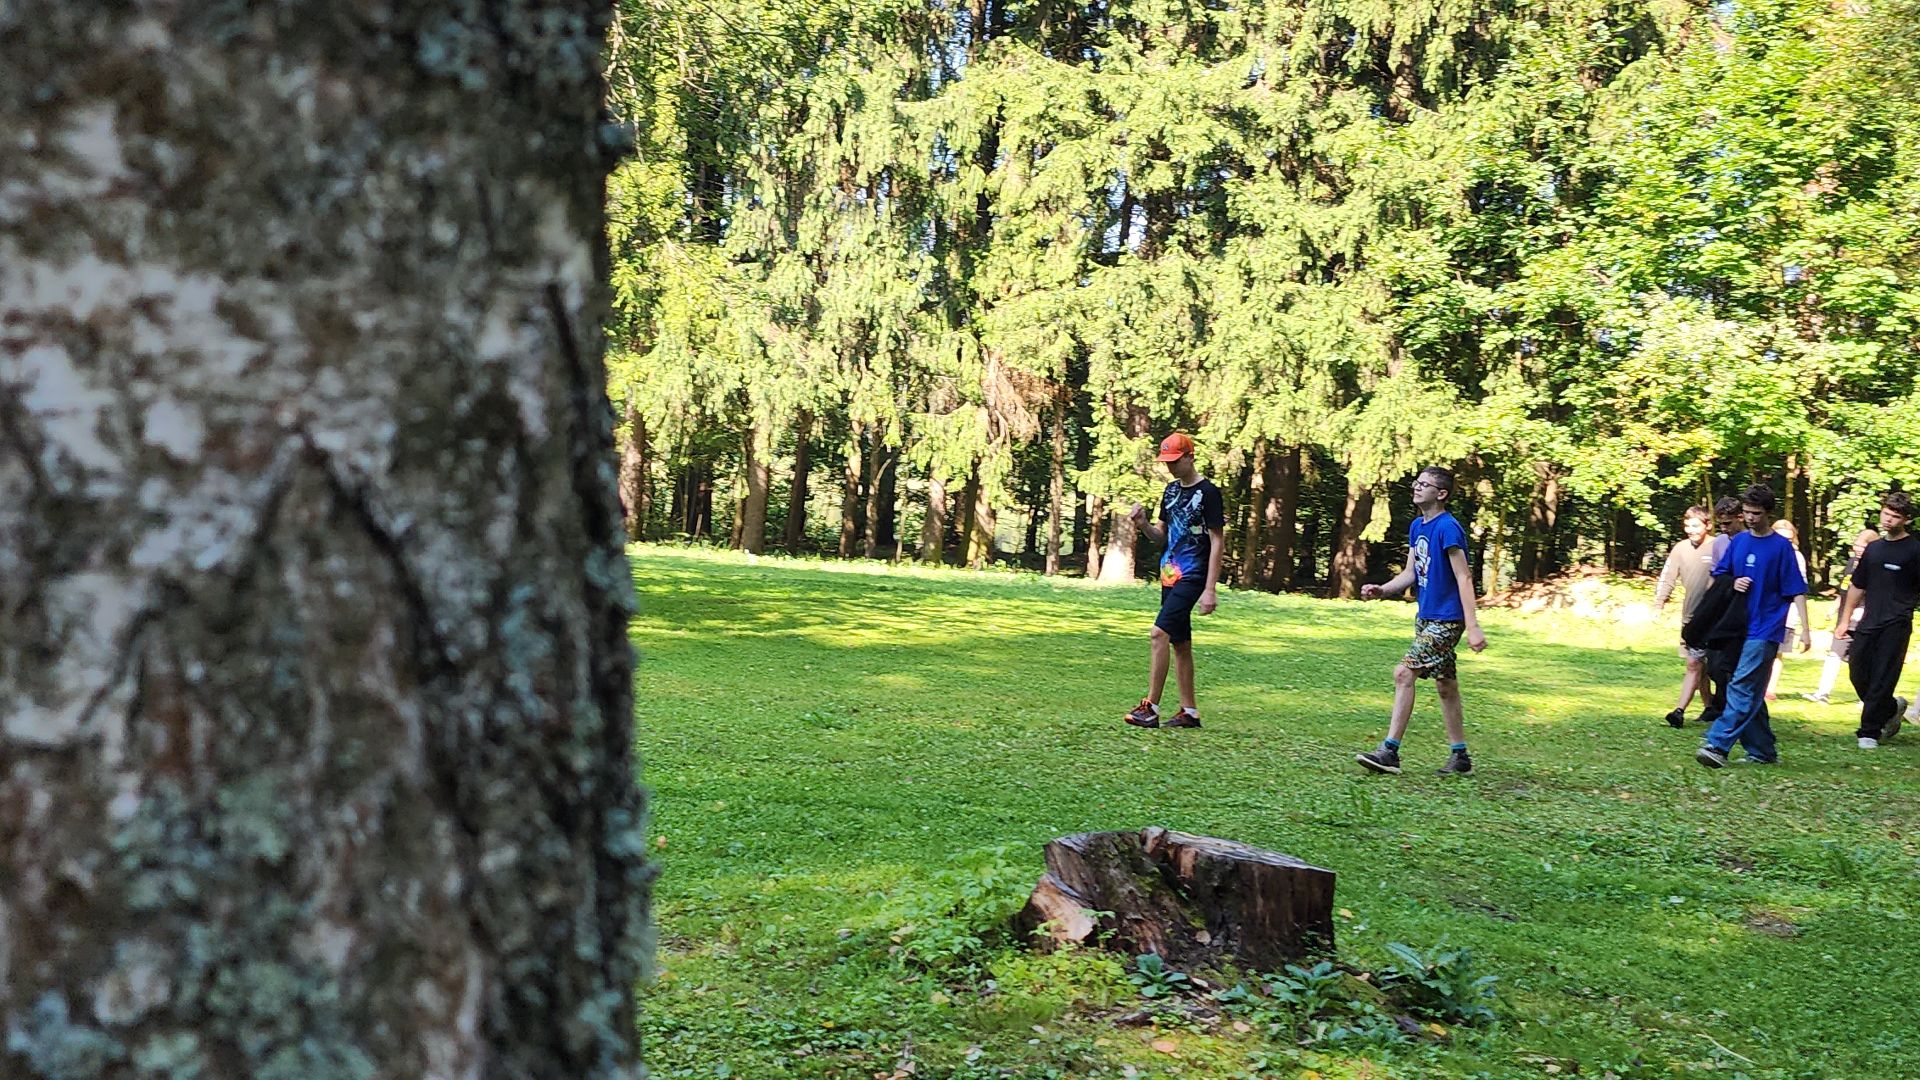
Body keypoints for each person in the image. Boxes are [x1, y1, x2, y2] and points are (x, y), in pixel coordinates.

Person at [1355, 466, 1488, 776]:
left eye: (1424, 485)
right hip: (1426, 617)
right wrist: (1382, 590)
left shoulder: (1448, 528)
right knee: (1445, 684)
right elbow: (1411, 572)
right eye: (1416, 483)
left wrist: (1473, 625)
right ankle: (1460, 758)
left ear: (1441, 494)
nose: (1416, 488)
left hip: (1447, 620)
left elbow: (1464, 576)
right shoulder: (1418, 526)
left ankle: (1389, 752)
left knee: (1404, 673)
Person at [1694, 483, 1810, 769]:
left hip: (1766, 628)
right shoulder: (1739, 542)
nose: (1750, 518)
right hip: (1737, 626)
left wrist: (1806, 629)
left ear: (1767, 513)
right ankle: (1762, 750)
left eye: (1756, 513)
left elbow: (1796, 589)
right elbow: (1720, 577)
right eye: (1746, 512)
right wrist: (1732, 583)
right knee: (1749, 686)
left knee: (1742, 685)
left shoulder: (1782, 548)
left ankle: (1717, 744)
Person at [1122, 433, 1225, 729]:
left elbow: (1217, 541)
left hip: (1194, 575)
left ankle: (1150, 707)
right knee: (1180, 643)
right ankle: (1189, 712)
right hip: (1170, 575)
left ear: (1190, 457)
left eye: (1175, 461)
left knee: (1158, 633)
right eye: (1166, 462)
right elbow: (1162, 536)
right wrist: (1143, 525)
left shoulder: (1209, 493)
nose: (1170, 467)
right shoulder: (1169, 492)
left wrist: (1209, 588)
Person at [1836, 492, 1920, 749]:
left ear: (1905, 520)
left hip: (1897, 622)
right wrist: (1844, 619)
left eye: (1895, 517)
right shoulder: (1873, 549)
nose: (1888, 520)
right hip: (1869, 620)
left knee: (1883, 675)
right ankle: (1891, 708)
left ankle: (1869, 731)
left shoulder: (1915, 550)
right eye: (1886, 514)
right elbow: (1857, 585)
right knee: (1857, 670)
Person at [1654, 505, 1718, 726]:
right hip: (1691, 617)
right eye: (1687, 525)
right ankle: (1710, 707)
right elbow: (1668, 576)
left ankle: (1681, 710)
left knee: (1703, 665)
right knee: (1696, 665)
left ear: (1707, 525)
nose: (1690, 530)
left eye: (1695, 525)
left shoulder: (1719, 546)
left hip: (1716, 617)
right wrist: (1659, 603)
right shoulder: (1680, 549)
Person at [1804, 527, 1878, 705]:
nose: (1857, 550)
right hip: (1844, 619)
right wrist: (1835, 607)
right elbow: (1845, 589)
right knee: (1834, 655)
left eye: (1862, 547)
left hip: (1864, 620)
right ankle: (1822, 693)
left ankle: (1868, 698)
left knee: (1862, 661)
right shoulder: (1852, 562)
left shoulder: (1876, 565)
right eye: (1856, 546)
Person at [1693, 497, 1748, 730]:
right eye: (1721, 524)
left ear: (1740, 517)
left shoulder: (1750, 541)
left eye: (1727, 524)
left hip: (1744, 610)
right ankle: (1719, 706)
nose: (1724, 529)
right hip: (1723, 607)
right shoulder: (1720, 543)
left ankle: (1731, 710)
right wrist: (1707, 606)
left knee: (1734, 664)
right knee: (1715, 663)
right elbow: (1716, 576)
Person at [1762, 520, 1809, 701]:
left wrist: (1803, 623)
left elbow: (1800, 588)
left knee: (1777, 652)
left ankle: (1770, 688)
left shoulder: (1797, 558)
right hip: (1764, 612)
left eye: (1789, 539)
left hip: (1787, 613)